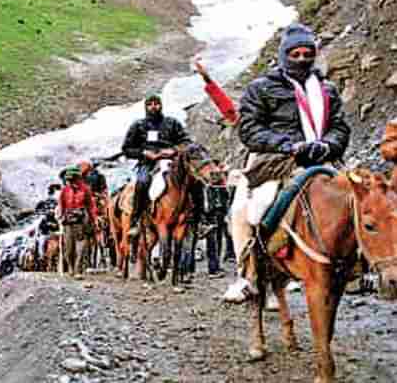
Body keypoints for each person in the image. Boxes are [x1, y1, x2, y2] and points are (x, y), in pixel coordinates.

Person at [223, 23, 351, 302]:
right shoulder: (261, 88)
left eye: (308, 53)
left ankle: (359, 268)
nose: (303, 59)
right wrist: (287, 145)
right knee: (248, 210)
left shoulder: (327, 89)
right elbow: (250, 129)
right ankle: (248, 274)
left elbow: (340, 125)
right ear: (284, 55)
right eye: (296, 54)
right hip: (274, 158)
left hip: (323, 156)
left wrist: (328, 144)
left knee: (363, 199)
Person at [121, 93, 192, 222]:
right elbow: (126, 149)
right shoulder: (138, 125)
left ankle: (200, 217)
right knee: (142, 182)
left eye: (156, 103)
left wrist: (174, 150)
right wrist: (143, 152)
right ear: (146, 107)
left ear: (161, 105)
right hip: (148, 163)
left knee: (193, 179)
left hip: (172, 161)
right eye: (150, 104)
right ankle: (136, 219)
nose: (154, 107)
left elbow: (186, 141)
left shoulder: (172, 123)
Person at [58, 166, 99, 279]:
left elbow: (91, 206)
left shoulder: (85, 189)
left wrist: (93, 219)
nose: (70, 182)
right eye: (69, 180)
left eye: (72, 179)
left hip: (81, 221)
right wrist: (61, 216)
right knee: (69, 248)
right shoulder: (64, 190)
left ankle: (78, 270)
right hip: (68, 221)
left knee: (81, 248)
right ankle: (71, 267)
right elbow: (61, 204)